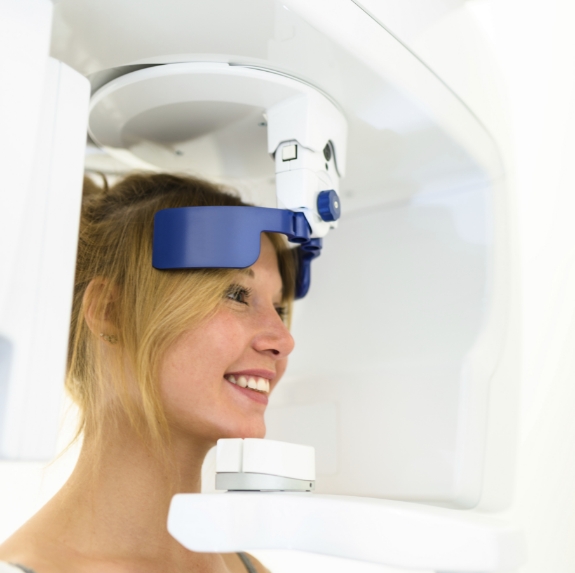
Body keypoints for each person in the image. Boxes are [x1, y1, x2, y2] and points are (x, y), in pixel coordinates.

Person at [0, 173, 297, 573]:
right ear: (111, 312)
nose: (282, 339)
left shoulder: (249, 568)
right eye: (235, 294)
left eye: (278, 308)